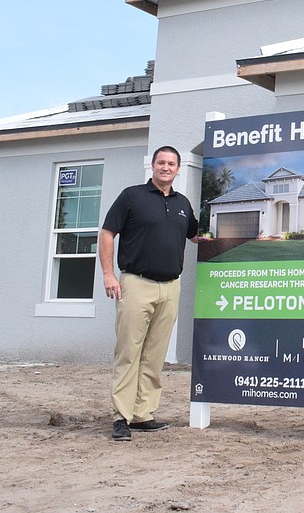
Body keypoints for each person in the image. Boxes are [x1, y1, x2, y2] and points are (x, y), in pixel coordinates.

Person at [99, 146, 199, 442]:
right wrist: (108, 274)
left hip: (170, 286)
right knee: (129, 352)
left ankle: (143, 415)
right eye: (161, 162)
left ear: (178, 169)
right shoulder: (132, 196)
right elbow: (106, 233)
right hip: (136, 283)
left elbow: (196, 236)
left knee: (155, 355)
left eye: (171, 164)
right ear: (153, 166)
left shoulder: (183, 203)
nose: (165, 167)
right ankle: (121, 417)